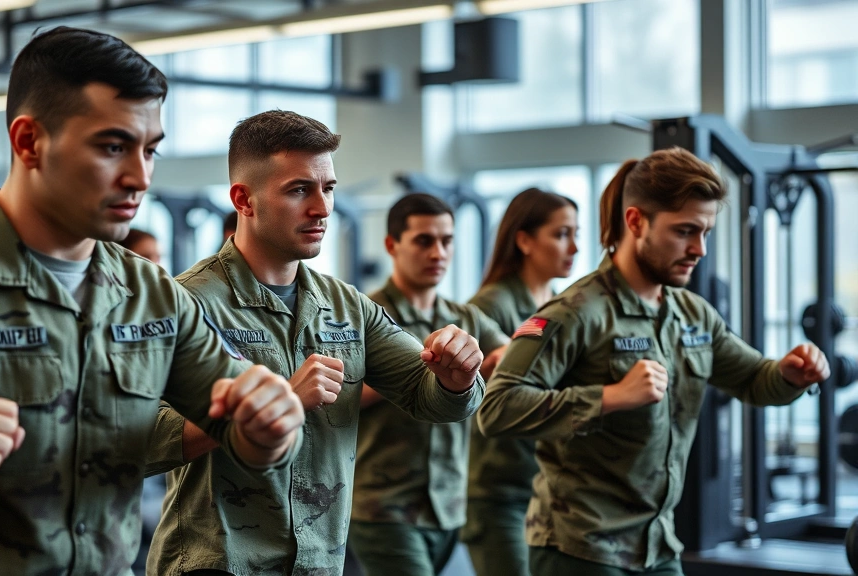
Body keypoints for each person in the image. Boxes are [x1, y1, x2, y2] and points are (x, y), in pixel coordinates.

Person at [0, 27, 303, 576]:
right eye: (112, 147)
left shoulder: (151, 296)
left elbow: (244, 431)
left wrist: (269, 426)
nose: (140, 177)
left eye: (149, 150)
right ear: (29, 141)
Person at [146, 111, 486, 576]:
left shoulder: (347, 307)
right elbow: (137, 436)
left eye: (327, 188)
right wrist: (278, 401)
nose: (322, 209)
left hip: (319, 562)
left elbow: (432, 400)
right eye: (299, 189)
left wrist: (457, 378)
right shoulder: (183, 303)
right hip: (219, 563)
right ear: (244, 200)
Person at [477, 147, 831, 576]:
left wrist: (789, 374)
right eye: (685, 231)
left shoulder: (693, 314)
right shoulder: (573, 313)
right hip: (581, 547)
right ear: (635, 222)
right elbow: (496, 409)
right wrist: (609, 397)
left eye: (705, 232)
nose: (699, 248)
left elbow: (756, 380)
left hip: (658, 545)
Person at [348, 193, 510, 576]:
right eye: (424, 240)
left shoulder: (463, 318)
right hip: (384, 507)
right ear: (392, 245)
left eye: (447, 240)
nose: (438, 252)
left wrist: (492, 362)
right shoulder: (363, 317)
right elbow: (331, 394)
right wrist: (407, 378)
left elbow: (510, 357)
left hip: (449, 507)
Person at [462, 187, 579, 576]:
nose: (574, 247)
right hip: (499, 492)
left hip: (551, 487)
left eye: (576, 234)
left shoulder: (564, 305)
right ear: (525, 240)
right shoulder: (492, 304)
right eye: (562, 234)